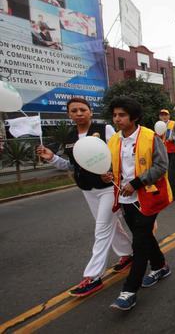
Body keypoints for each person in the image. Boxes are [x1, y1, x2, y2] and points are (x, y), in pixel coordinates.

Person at [36, 97, 133, 297]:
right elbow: (72, 165)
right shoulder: (70, 136)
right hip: (88, 190)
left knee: (102, 229)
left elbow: (119, 153)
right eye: (74, 111)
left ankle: (93, 276)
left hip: (107, 188)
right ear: (69, 115)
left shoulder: (104, 129)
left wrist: (114, 173)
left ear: (90, 111)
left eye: (82, 109)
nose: (79, 113)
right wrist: (52, 158)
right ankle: (128, 254)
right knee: (109, 225)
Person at [104, 97, 173, 311]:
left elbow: (162, 166)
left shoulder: (151, 137)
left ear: (133, 117)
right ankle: (161, 266)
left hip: (148, 197)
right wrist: (106, 175)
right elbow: (111, 166)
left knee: (139, 243)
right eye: (115, 115)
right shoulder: (114, 140)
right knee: (144, 237)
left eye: (122, 115)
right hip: (124, 199)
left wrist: (136, 182)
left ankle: (129, 291)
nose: (117, 119)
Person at [159, 109, 175, 197]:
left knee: (170, 172)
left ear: (169, 116)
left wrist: (172, 137)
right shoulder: (159, 125)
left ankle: (173, 194)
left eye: (166, 115)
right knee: (173, 172)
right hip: (165, 153)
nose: (164, 117)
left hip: (174, 152)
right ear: (159, 117)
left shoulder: (173, 123)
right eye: (162, 115)